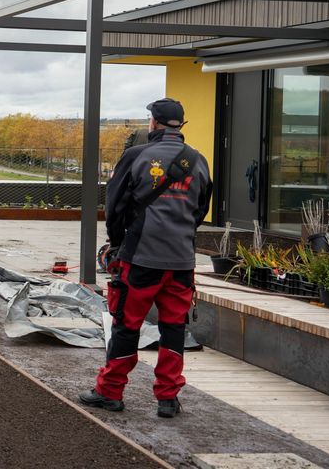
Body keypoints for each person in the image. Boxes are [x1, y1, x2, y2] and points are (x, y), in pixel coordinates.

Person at [78, 98, 212, 419]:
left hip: (140, 259)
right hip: (181, 262)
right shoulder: (199, 161)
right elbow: (200, 210)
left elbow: (115, 207)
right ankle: (168, 398)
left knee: (127, 324)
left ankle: (110, 392)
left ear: (153, 123)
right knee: (174, 328)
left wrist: (117, 242)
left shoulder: (135, 156)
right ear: (181, 125)